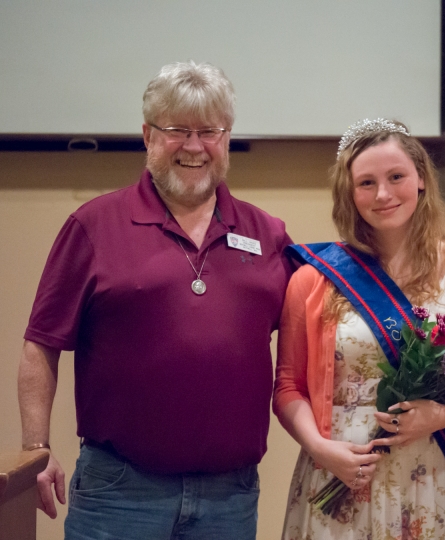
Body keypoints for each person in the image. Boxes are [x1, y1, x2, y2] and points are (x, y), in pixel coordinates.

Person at [17, 61, 294, 539]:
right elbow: (40, 344)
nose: (193, 146)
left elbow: (306, 345)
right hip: (119, 493)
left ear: (226, 138)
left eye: (208, 131)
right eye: (176, 130)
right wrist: (36, 448)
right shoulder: (94, 225)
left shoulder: (267, 235)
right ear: (147, 135)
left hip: (231, 497)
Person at [273, 119, 445, 539]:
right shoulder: (314, 281)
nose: (383, 194)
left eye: (396, 177)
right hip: (339, 477)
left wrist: (440, 415)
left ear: (420, 178)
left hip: (432, 480)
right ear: (350, 194)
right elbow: (288, 386)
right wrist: (320, 448)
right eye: (366, 183)